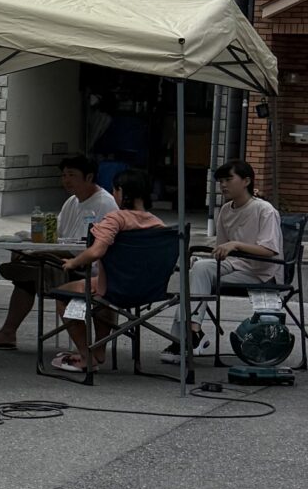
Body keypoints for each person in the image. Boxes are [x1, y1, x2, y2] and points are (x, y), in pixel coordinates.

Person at [0, 154, 116, 351]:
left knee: (28, 269)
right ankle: (7, 333)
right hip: (65, 260)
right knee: (24, 272)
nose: (66, 180)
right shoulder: (72, 202)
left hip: (87, 267)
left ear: (89, 177)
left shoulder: (104, 203)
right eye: (64, 175)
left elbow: (82, 248)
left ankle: (91, 350)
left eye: (72, 175)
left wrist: (35, 253)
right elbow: (56, 236)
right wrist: (27, 246)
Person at [49, 169, 163, 373]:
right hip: (147, 290)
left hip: (112, 287)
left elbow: (96, 251)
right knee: (101, 298)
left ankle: (86, 355)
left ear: (120, 191)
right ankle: (99, 350)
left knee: (64, 295)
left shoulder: (116, 219)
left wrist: (73, 263)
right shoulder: (158, 225)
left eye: (115, 190)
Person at [171, 158, 284, 354]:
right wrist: (202, 259)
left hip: (260, 271)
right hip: (234, 265)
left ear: (246, 181)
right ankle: (192, 332)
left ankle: (183, 339)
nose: (223, 185)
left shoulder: (264, 210)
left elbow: (269, 250)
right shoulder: (225, 210)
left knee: (198, 274)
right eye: (220, 181)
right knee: (197, 269)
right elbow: (221, 250)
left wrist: (236, 244)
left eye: (228, 180)